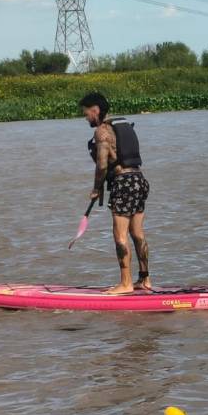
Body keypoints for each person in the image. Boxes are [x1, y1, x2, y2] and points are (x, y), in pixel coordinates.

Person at [79, 92, 152, 294]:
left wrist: (96, 188)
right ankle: (145, 280)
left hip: (123, 183)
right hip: (139, 180)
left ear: (95, 110)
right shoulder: (123, 124)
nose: (86, 118)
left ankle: (126, 283)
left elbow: (102, 164)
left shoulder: (102, 132)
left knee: (120, 236)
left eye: (86, 113)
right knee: (137, 234)